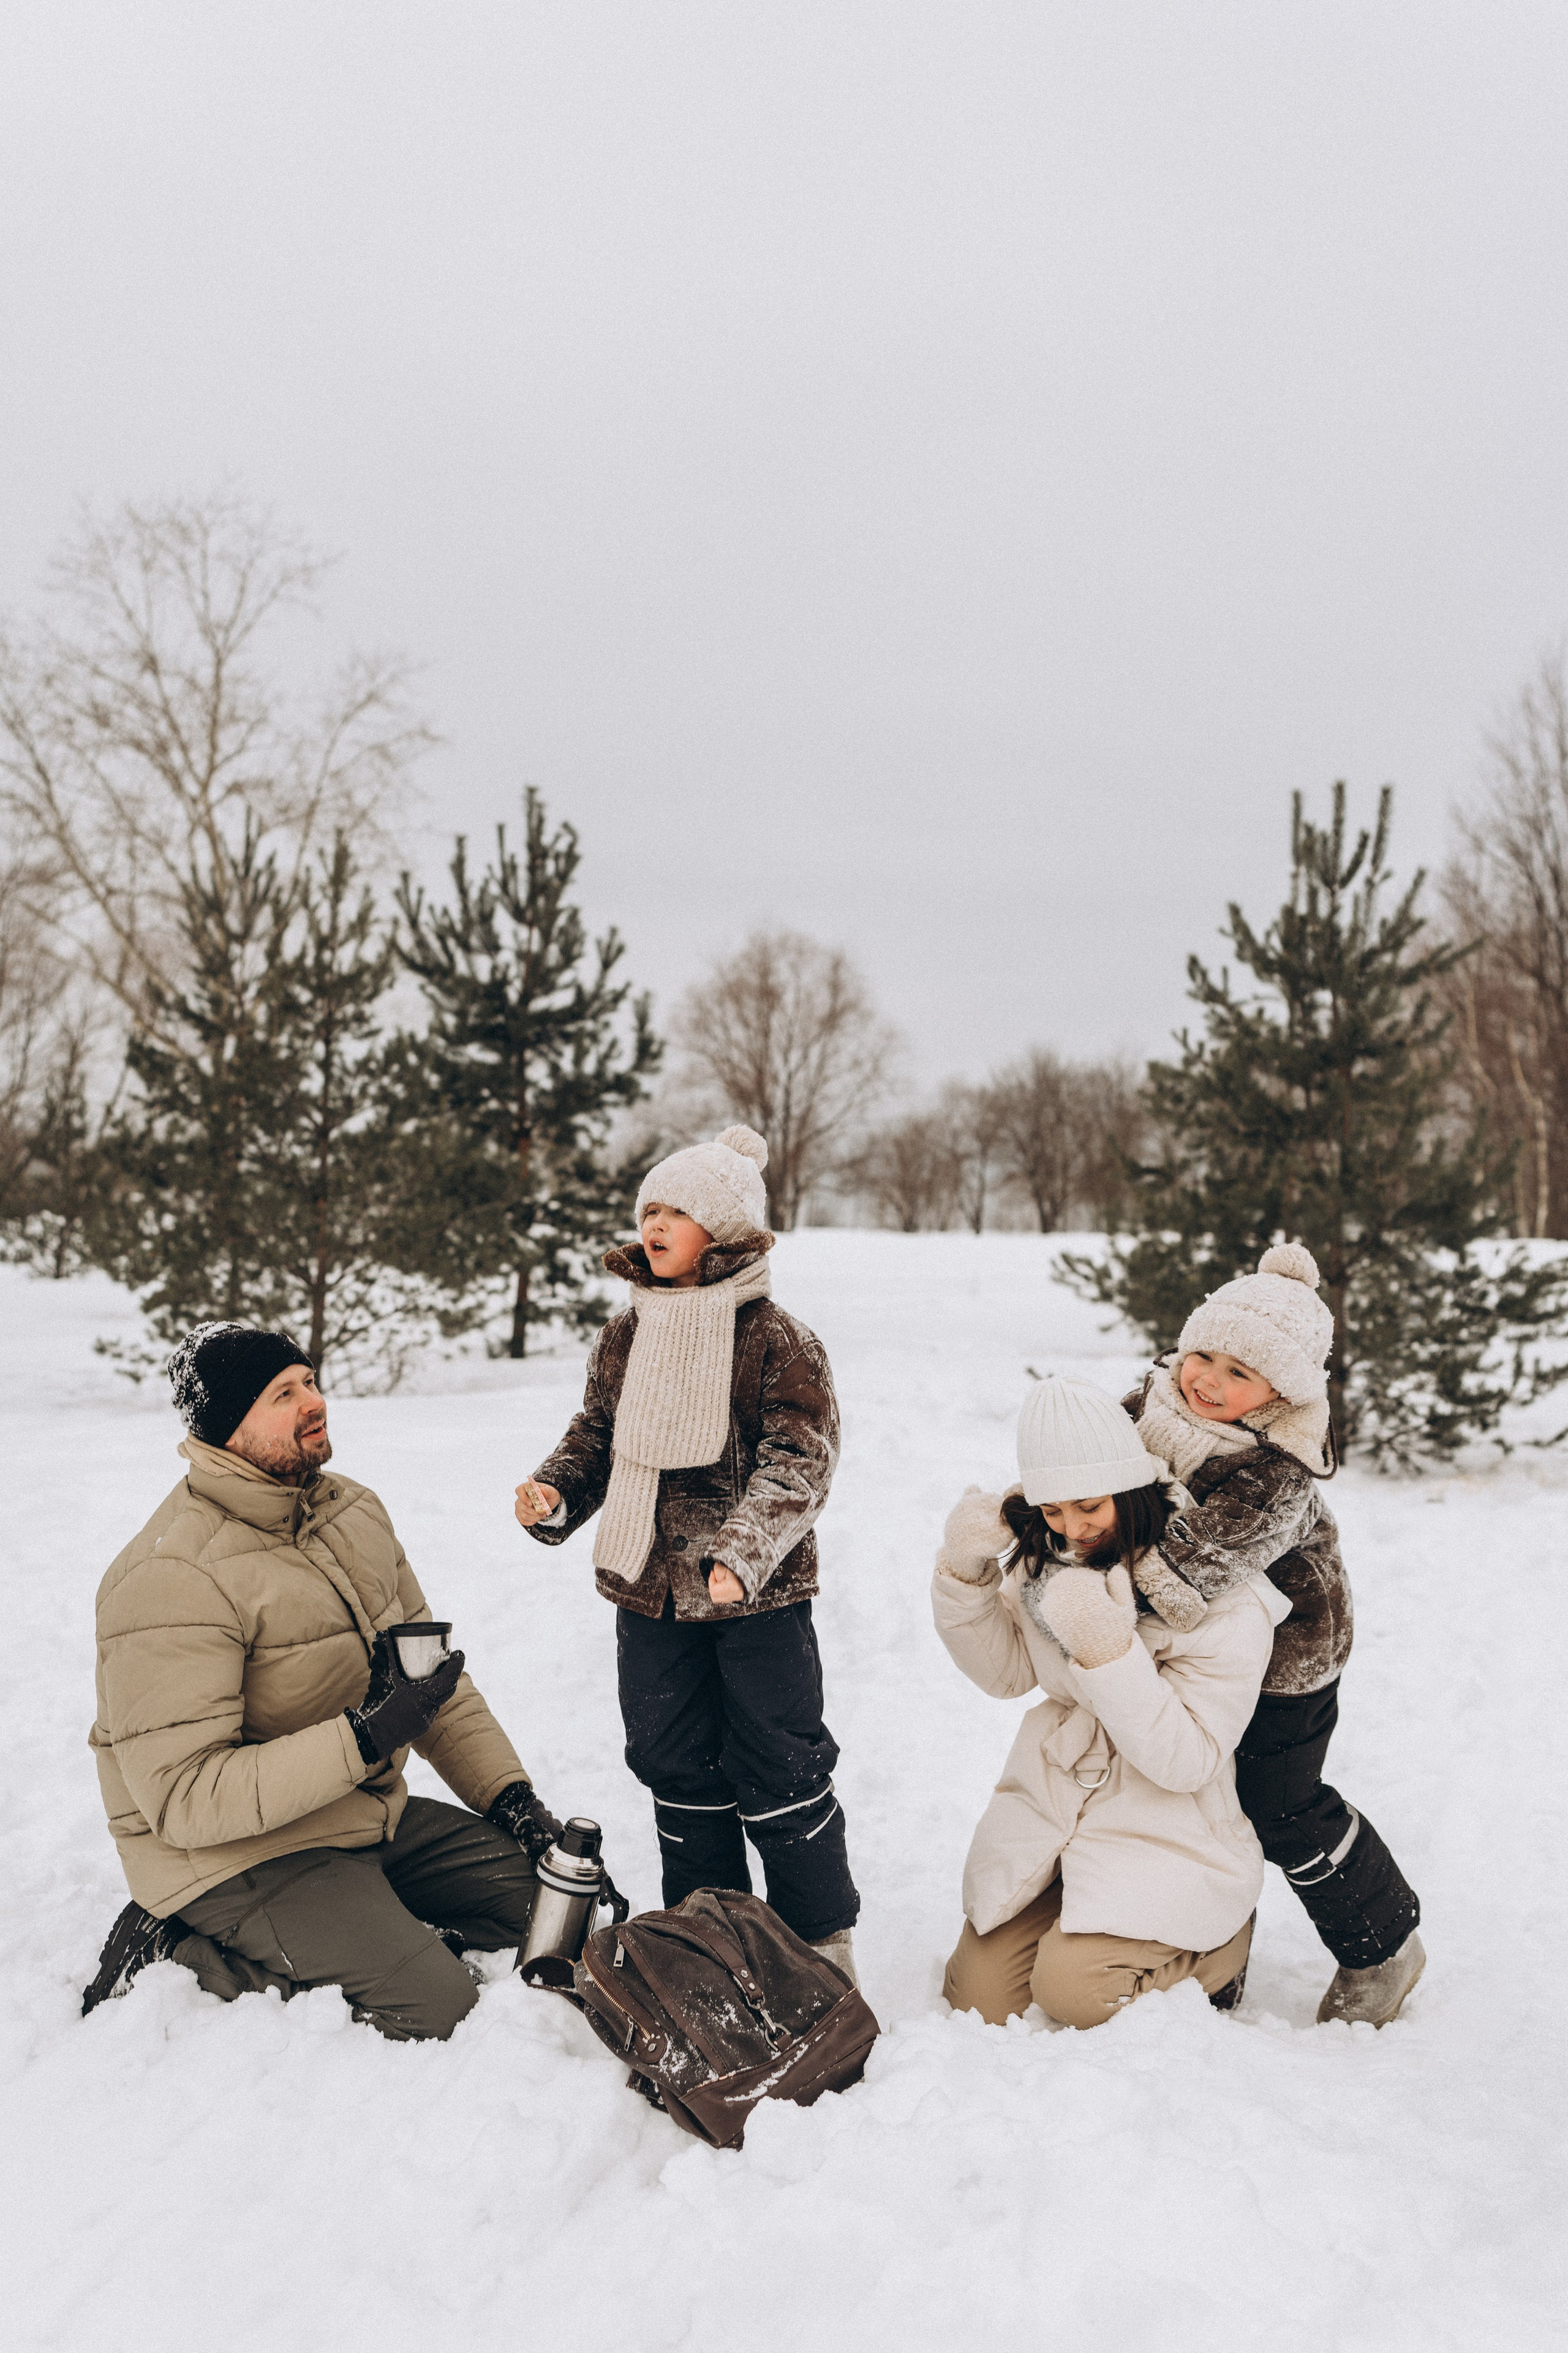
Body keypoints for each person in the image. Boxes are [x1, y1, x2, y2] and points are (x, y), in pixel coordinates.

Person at [83, 1321, 560, 2041]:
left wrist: (515, 1802)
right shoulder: (170, 1575)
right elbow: (182, 1799)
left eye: (311, 1381)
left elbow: (433, 1687)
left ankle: (370, 1926)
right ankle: (173, 1947)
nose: (314, 1401)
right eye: (284, 1393)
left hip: (357, 1815)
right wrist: (365, 1736)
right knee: (436, 2004)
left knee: (554, 1916)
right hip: (231, 1857)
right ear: (227, 1428)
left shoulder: (353, 1512)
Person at [514, 1125, 860, 1982]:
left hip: (757, 1600)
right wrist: (557, 1491)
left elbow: (801, 1460)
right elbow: (597, 1434)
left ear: (729, 1230)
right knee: (675, 1761)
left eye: (678, 1211)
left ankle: (821, 1943)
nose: (656, 1224)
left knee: (780, 1762)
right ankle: (708, 1932)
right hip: (649, 1592)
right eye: (650, 1210)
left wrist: (743, 1550)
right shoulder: (626, 1333)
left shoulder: (778, 1339)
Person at [1122, 1244, 1424, 2026]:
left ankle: (1382, 1946)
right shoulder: (1149, 1404)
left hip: (1284, 1661)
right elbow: (1081, 1466)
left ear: (1277, 1391)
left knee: (1275, 1802)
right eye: (1203, 1355)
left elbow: (1181, 1577)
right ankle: (1206, 1953)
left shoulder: (1277, 1472)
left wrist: (1084, 1590)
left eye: (1237, 1374)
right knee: (1190, 1797)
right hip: (1202, 1651)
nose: (1207, 1381)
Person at [936, 1374, 1287, 2028]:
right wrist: (965, 1575)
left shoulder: (1221, 1596)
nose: (1071, 1529)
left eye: (1090, 1505)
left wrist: (1106, 1649)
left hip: (1167, 1823)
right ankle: (1080, 1906)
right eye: (1052, 1511)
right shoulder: (1050, 1561)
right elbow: (1006, 1672)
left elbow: (1186, 1762)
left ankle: (1222, 1945)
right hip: (1065, 1804)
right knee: (977, 1996)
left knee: (1074, 1993)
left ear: (1132, 1488)